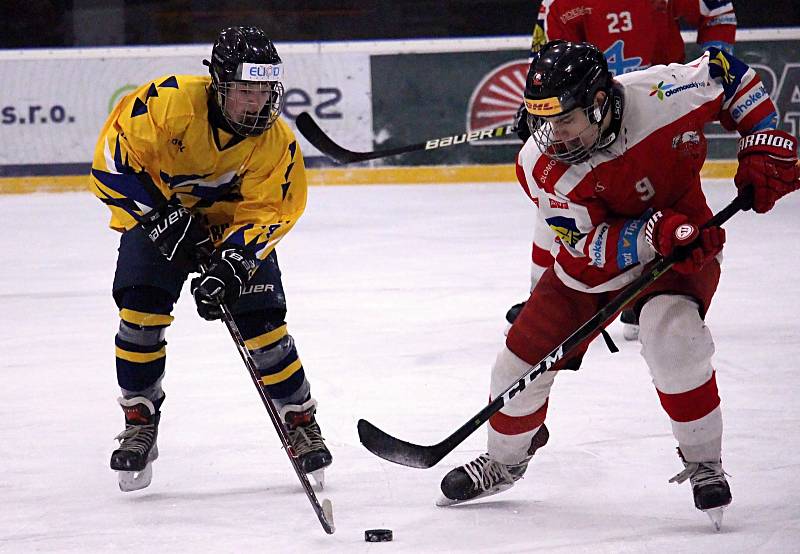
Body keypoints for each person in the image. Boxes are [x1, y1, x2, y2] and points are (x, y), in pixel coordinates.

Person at [439, 40, 799, 529]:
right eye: (543, 121)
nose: (554, 135)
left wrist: (762, 139)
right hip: (589, 270)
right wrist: (653, 233)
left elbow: (728, 72)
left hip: (682, 247)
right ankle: (505, 461)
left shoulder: (666, 95)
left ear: (600, 101)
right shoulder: (539, 165)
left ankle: (704, 463)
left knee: (673, 336)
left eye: (564, 119)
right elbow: (585, 245)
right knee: (515, 367)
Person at [89, 26, 332, 492]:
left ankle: (299, 421)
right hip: (159, 214)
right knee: (139, 315)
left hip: (228, 227)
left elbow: (273, 210)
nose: (256, 103)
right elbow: (111, 162)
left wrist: (232, 264)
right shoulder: (168, 102)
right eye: (245, 90)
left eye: (264, 90)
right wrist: (160, 218)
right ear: (219, 83)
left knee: (263, 327)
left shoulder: (275, 142)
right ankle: (140, 417)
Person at [510, 0, 737, 341]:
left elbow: (717, 10)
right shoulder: (561, 3)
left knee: (665, 203)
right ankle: (543, 300)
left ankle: (650, 296)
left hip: (656, 116)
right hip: (591, 123)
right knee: (559, 202)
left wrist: (703, 66)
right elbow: (549, 59)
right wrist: (553, 112)